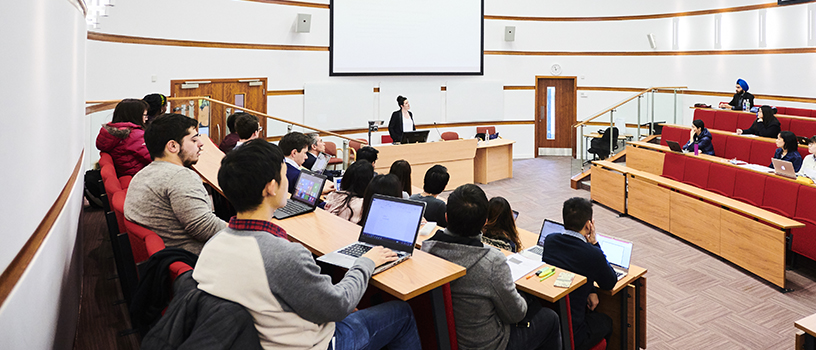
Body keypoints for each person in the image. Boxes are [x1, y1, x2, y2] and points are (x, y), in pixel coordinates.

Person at [193, 139, 420, 350]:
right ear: (271, 187)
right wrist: (366, 262)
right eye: (285, 175)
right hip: (312, 344)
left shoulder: (214, 243)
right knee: (402, 312)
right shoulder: (283, 254)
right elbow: (339, 305)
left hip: (259, 339)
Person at [422, 184, 562, 350]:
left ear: (446, 217)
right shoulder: (492, 262)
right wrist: (524, 299)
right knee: (550, 318)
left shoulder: (427, 249)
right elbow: (515, 314)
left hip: (445, 339)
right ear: (485, 222)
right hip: (488, 345)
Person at [124, 114, 227, 255]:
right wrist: (245, 230)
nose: (201, 144)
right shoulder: (180, 176)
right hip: (196, 261)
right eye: (194, 139)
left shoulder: (142, 174)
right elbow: (204, 228)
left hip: (167, 260)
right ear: (173, 146)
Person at [542, 198, 616, 350]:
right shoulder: (592, 254)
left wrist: (591, 290)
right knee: (606, 321)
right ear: (589, 225)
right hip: (574, 334)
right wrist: (595, 244)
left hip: (551, 325)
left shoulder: (550, 241)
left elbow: (571, 268)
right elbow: (610, 282)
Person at [96, 98, 151, 177]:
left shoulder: (110, 131)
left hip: (124, 172)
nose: (146, 118)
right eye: (145, 115)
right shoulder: (134, 135)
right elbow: (151, 157)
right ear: (136, 116)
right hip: (137, 175)